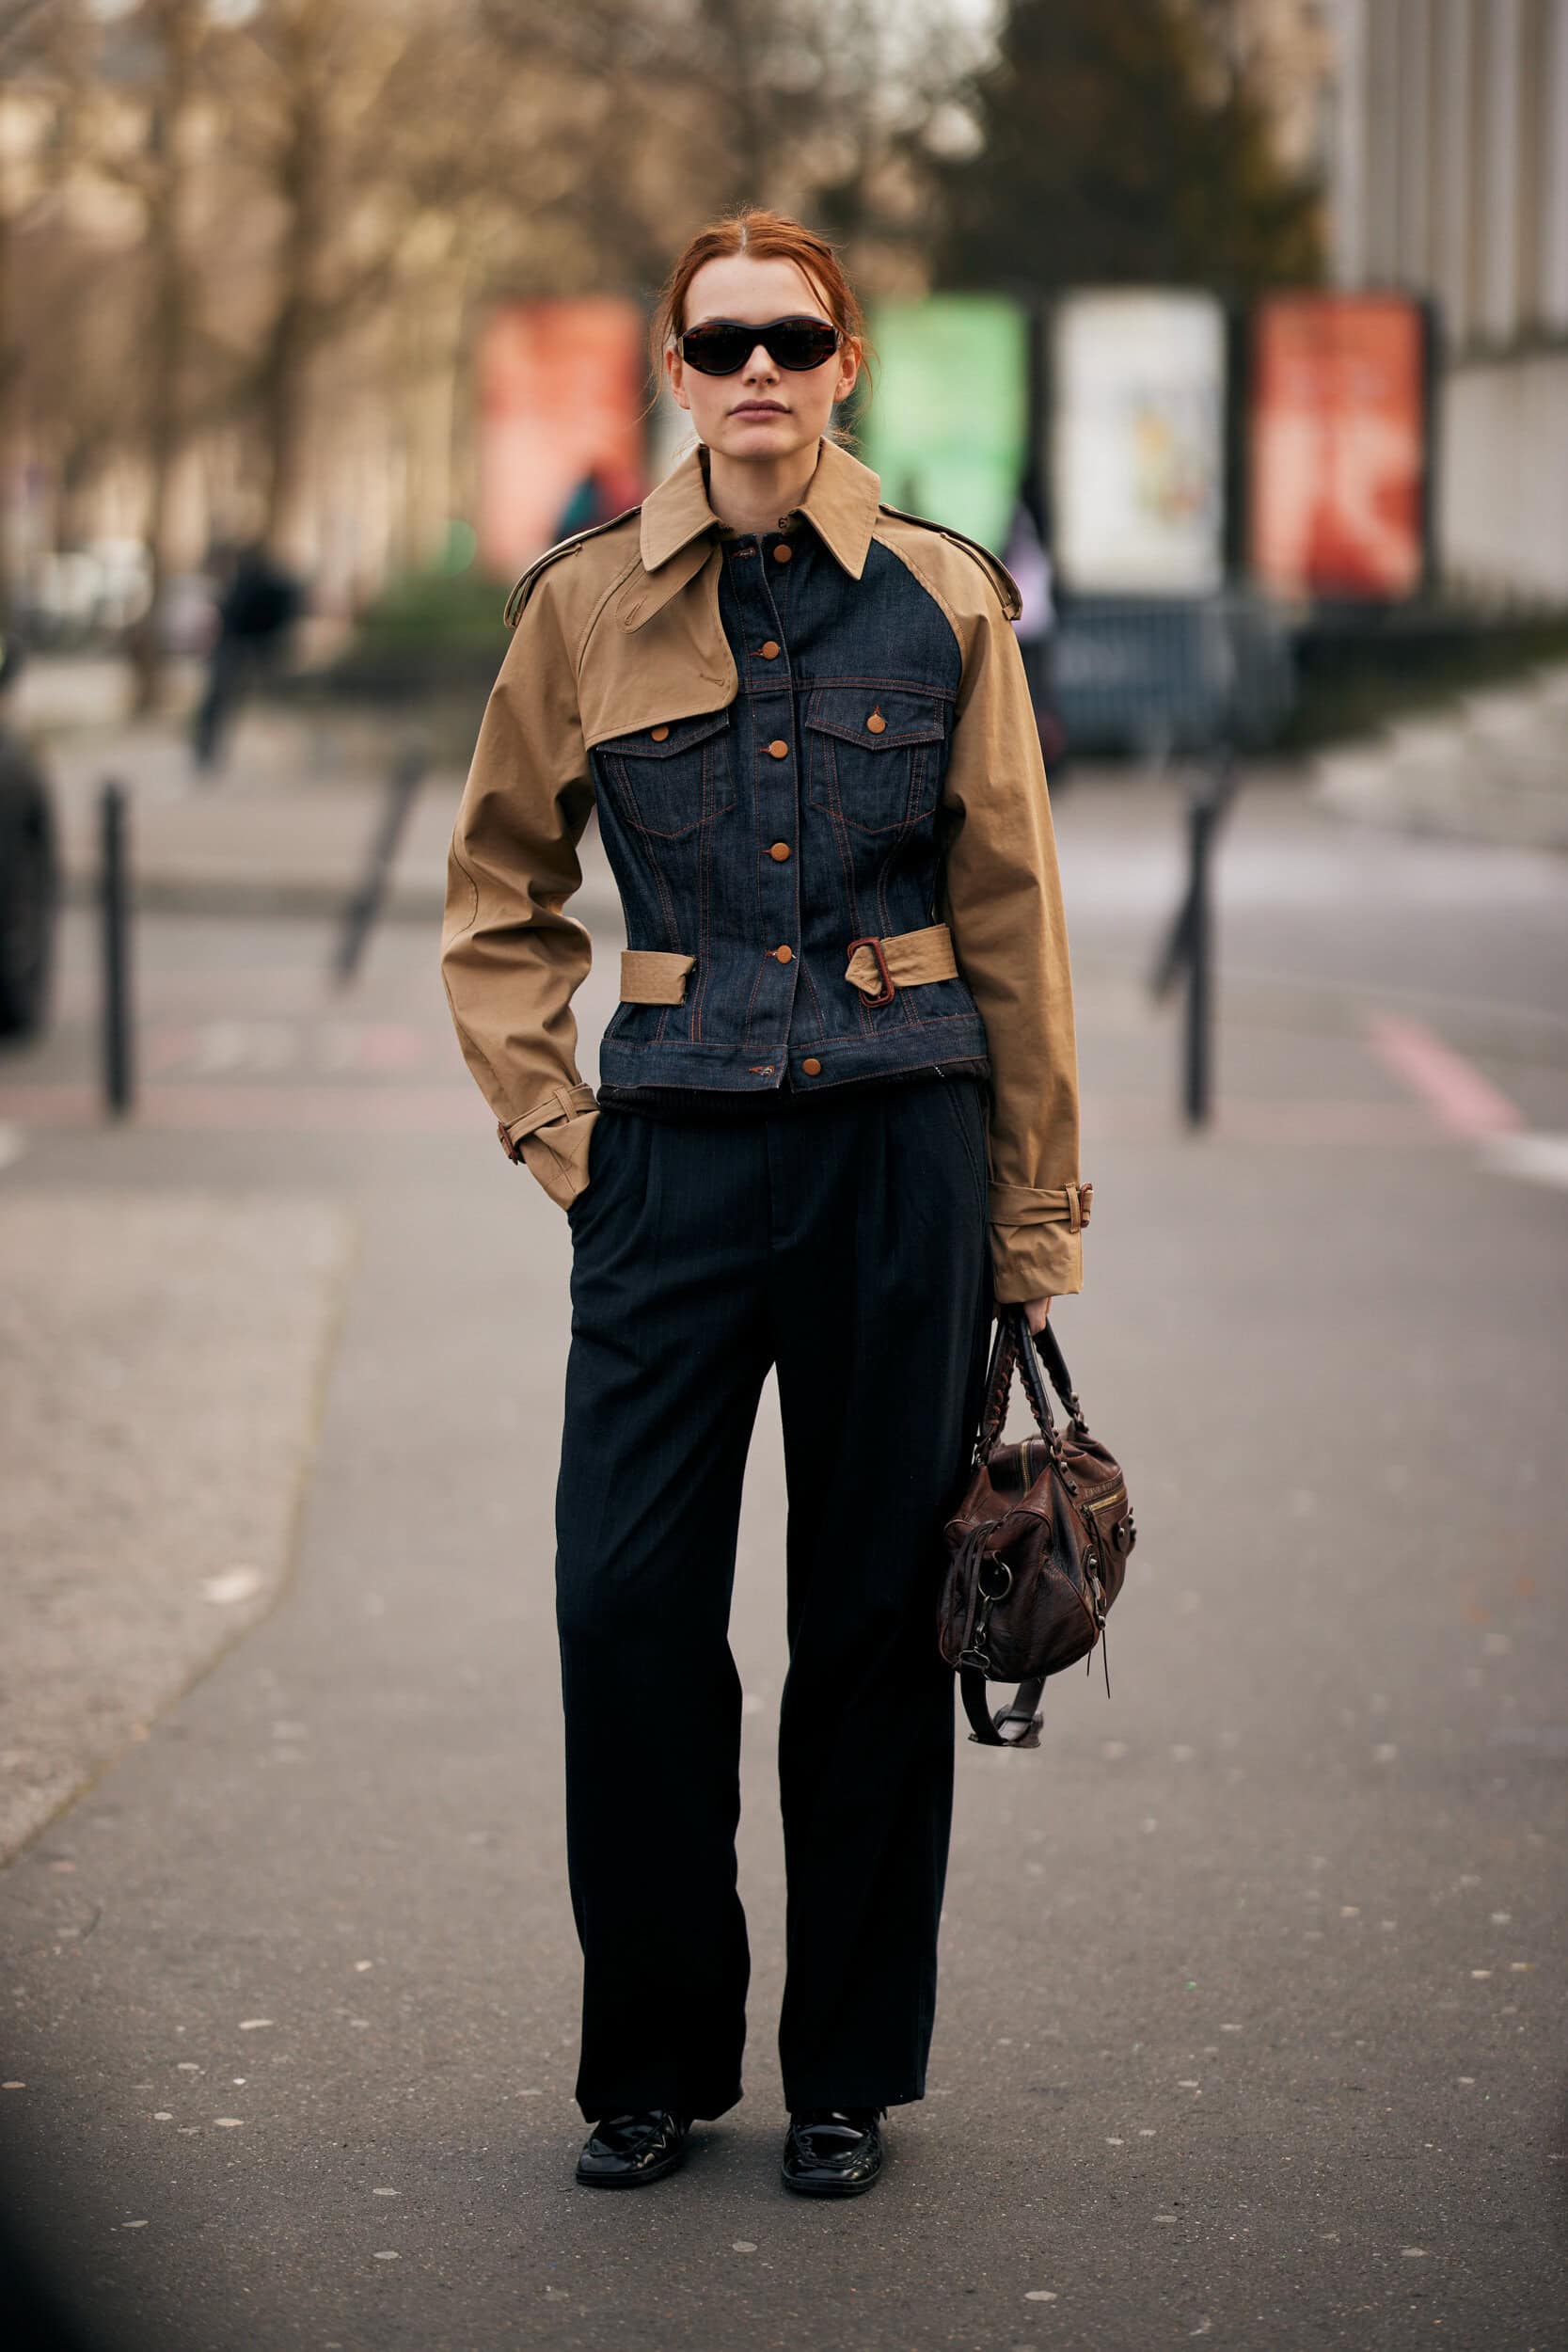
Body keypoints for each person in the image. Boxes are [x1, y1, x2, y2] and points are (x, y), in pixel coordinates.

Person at [439, 208, 1089, 2200]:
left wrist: (1029, 1215)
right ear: (671, 363)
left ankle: (842, 2074)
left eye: (787, 340)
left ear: (840, 364)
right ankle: (648, 2053)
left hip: (897, 1155)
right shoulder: (579, 609)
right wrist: (564, 1139)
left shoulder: (943, 602)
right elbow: (498, 897)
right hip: (671, 1169)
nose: (751, 373)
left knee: (866, 1627)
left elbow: (1011, 922)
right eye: (716, 339)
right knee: (623, 1605)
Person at [191, 539, 302, 773]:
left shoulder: (246, 585)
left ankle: (209, 752)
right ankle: (207, 751)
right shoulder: (255, 583)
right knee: (226, 702)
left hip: (242, 648)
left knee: (225, 701)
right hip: (251, 648)